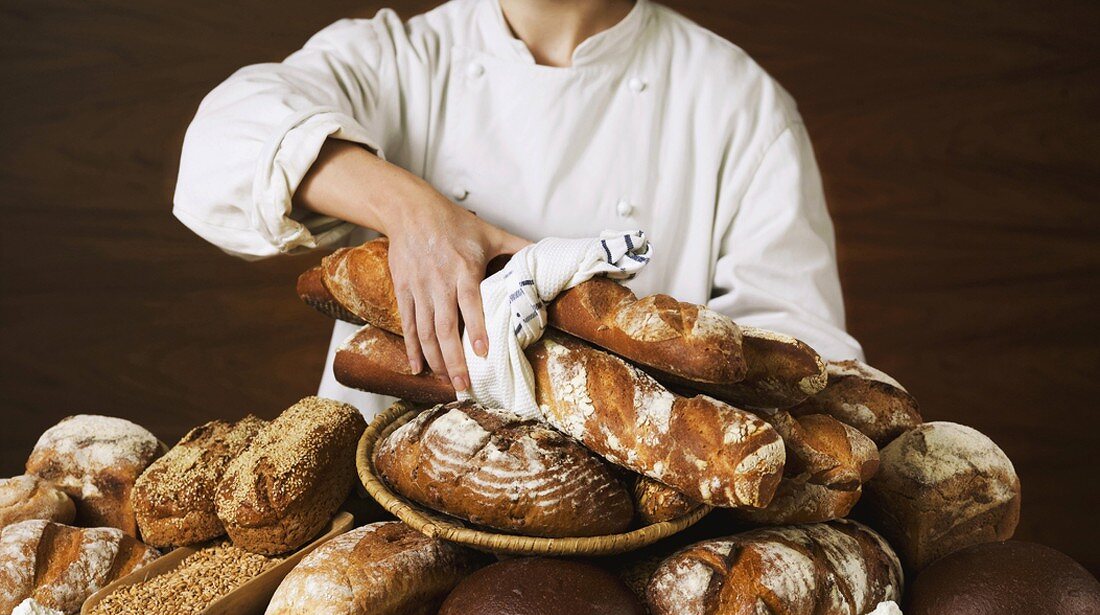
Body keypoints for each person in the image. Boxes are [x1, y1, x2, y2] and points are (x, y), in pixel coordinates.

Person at [174, 0, 864, 418]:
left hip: (632, 538)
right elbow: (221, 142)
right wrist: (415, 212)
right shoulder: (402, 59)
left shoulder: (737, 103)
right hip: (378, 516)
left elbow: (801, 361)